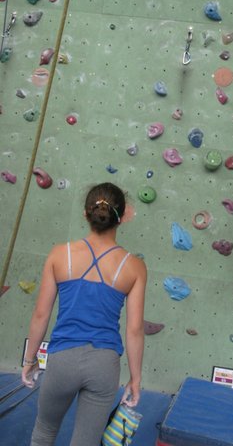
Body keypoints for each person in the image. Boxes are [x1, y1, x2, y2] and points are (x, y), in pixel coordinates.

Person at [21, 182, 147, 446]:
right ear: (122, 217)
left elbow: (41, 314)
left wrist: (30, 360)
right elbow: (134, 330)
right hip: (104, 365)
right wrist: (135, 378)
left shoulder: (59, 255)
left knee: (43, 433)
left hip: (63, 359)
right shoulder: (135, 267)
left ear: (86, 213)